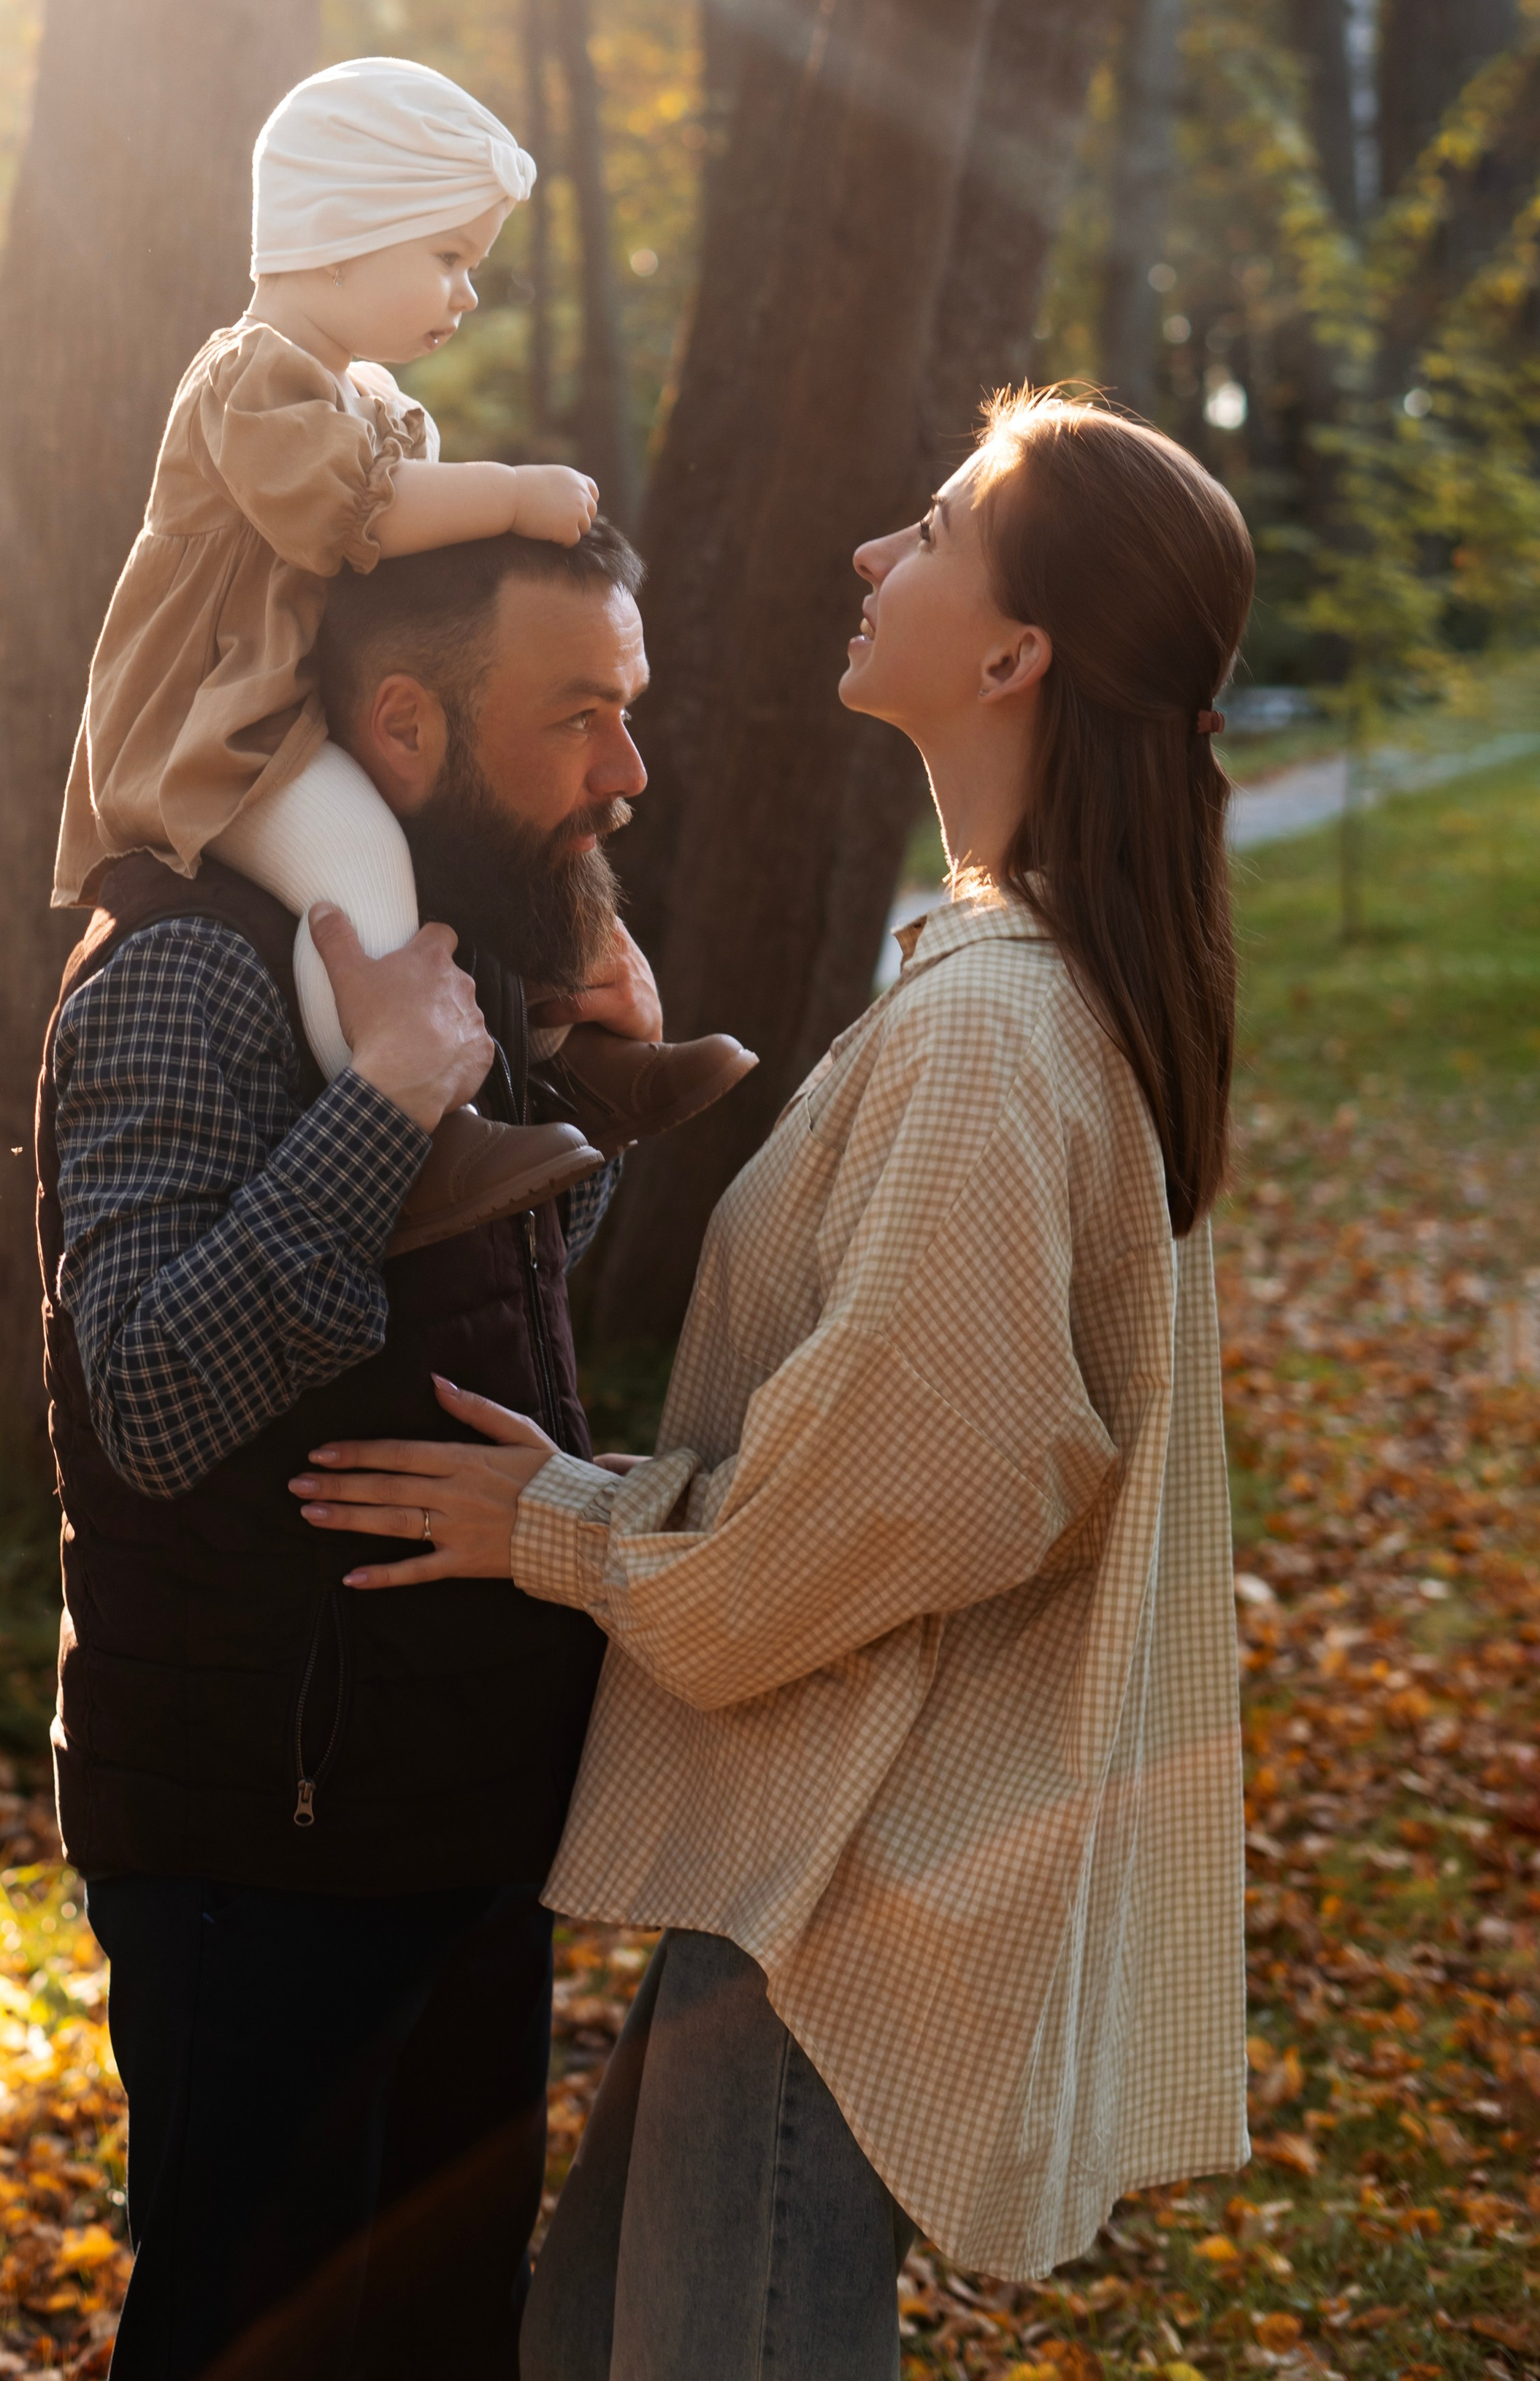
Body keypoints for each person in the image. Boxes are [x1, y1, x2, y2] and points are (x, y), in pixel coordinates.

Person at [288, 389, 1257, 2370]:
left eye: (931, 522)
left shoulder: (998, 1027)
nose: (868, 555)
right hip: (821, 1865)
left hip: (859, 1889)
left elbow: (906, 1482)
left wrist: (563, 1530)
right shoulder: (1007, 977)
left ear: (1014, 655)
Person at [42, 519, 689, 2381]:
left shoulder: (425, 955)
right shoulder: (193, 965)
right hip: (268, 1844)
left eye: (627, 716)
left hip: (449, 1813)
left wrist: (561, 1104)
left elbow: (438, 1313)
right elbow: (150, 1393)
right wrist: (398, 1096)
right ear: (402, 725)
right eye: (580, 718)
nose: (625, 776)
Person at [53, 55, 749, 1255]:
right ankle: (420, 1135)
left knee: (503, 841)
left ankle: (580, 1062)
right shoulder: (248, 379)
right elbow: (354, 517)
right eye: (447, 258)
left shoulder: (362, 393)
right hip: (228, 736)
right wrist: (517, 493)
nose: (468, 293)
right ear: (336, 238)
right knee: (365, 866)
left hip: (301, 706)